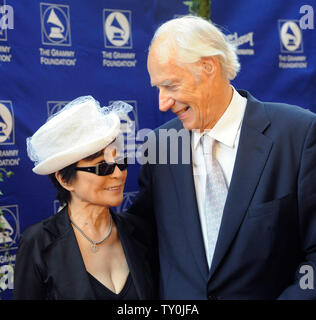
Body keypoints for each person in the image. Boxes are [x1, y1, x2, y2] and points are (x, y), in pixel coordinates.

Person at [128, 15, 316, 299]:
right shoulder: (161, 145)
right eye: (158, 88)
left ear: (208, 67)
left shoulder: (298, 134)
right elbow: (142, 243)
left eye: (171, 86)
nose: (162, 103)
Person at [14, 96, 157, 300]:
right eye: (103, 167)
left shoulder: (139, 231)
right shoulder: (38, 243)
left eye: (121, 162)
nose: (118, 174)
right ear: (65, 180)